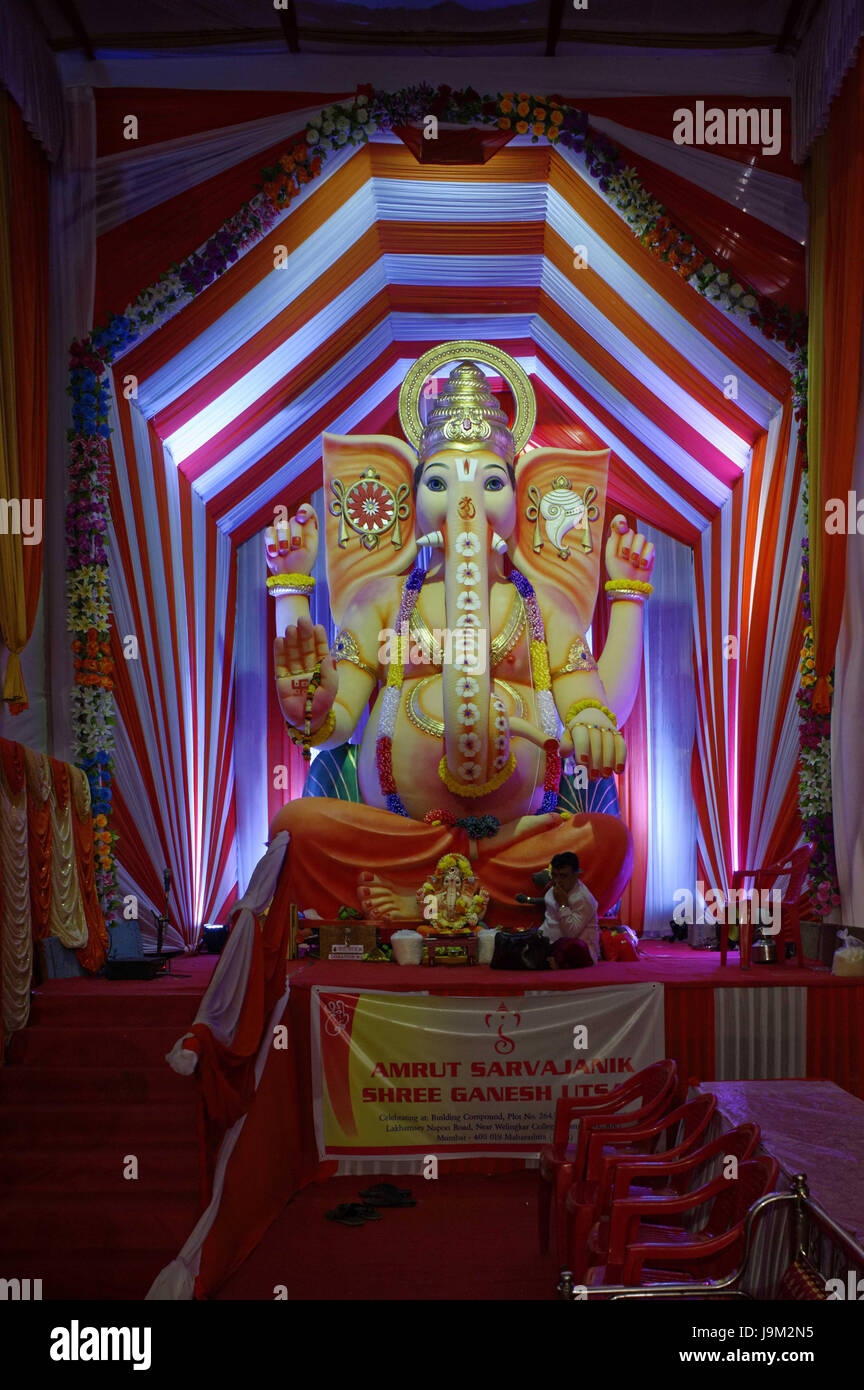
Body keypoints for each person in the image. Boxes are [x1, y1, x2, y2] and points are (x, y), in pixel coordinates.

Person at [540, 851, 598, 969]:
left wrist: (563, 904)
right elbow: (549, 923)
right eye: (554, 875)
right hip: (552, 945)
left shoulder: (583, 898)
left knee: (569, 946)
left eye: (563, 875)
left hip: (579, 952)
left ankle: (553, 960)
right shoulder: (552, 891)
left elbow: (571, 933)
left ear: (576, 875)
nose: (557, 881)